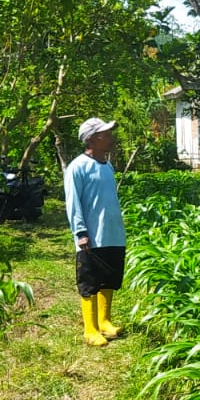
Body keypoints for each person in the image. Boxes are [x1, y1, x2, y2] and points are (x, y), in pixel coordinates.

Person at [64, 118, 127, 347]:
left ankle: (105, 321)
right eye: (105, 134)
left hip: (112, 233)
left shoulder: (107, 166)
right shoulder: (77, 167)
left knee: (109, 277)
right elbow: (73, 203)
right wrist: (80, 231)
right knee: (89, 281)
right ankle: (90, 329)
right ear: (91, 139)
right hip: (91, 235)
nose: (111, 137)